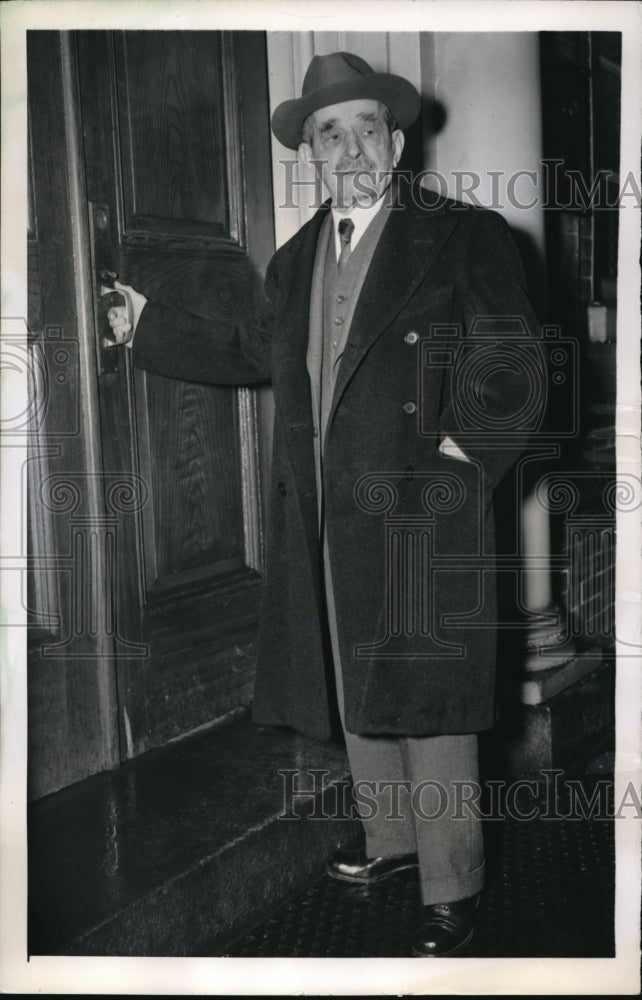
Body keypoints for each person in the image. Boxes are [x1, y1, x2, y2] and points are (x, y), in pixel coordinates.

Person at [108, 51, 541, 957]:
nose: (351, 149)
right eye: (330, 134)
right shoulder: (301, 255)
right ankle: (391, 843)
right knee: (357, 679)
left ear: (396, 141)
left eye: (366, 130)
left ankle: (450, 883)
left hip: (425, 509)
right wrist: (147, 324)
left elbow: (518, 363)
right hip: (328, 514)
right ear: (311, 151)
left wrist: (462, 466)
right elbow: (251, 351)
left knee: (430, 699)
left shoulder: (465, 235)